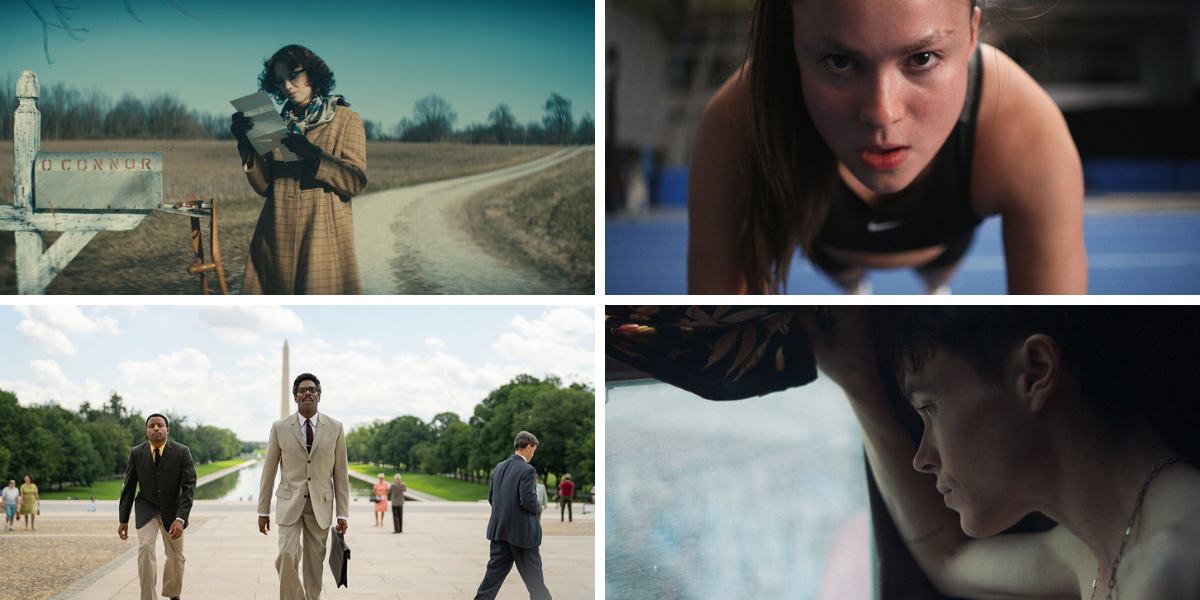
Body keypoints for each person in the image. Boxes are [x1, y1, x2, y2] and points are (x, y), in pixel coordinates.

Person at [795, 307, 1200, 599]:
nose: (923, 457)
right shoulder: (1092, 550)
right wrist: (858, 382)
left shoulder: (1172, 568)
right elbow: (952, 560)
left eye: (929, 409)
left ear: (1035, 373)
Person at [688, 0, 1087, 294]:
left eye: (923, 57)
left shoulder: (1024, 129)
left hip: (941, 249)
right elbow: (723, 346)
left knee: (938, 277)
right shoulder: (738, 123)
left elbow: (1056, 350)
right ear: (792, 45)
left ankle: (934, 289)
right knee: (849, 284)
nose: (882, 114)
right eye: (840, 61)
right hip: (834, 252)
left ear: (971, 36)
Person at [230, 44, 368, 294]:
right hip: (275, 235)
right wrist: (245, 144)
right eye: (280, 80)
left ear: (313, 74)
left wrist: (313, 154)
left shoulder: (346, 119)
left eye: (293, 76)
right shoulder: (273, 123)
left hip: (321, 237)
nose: (287, 86)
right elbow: (265, 187)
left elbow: (355, 182)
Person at [258, 373, 350, 600]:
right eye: (302, 390)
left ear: (319, 396)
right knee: (286, 556)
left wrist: (343, 514)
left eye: (312, 389)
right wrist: (262, 510)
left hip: (321, 505)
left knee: (314, 564)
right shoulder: (279, 427)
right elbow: (268, 471)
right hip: (289, 503)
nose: (307, 393)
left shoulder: (336, 427)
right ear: (295, 396)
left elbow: (341, 474)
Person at [118, 414, 197, 600]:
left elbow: (189, 486)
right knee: (145, 548)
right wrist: (123, 519)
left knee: (176, 557)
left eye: (159, 425)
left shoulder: (182, 451)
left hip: (173, 510)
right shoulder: (136, 453)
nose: (156, 428)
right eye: (151, 426)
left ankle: (172, 593)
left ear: (167, 430)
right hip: (147, 508)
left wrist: (181, 518)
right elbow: (128, 488)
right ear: (146, 431)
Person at [473, 431, 552, 600]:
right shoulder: (528, 470)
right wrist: (538, 507)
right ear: (528, 447)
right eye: (534, 450)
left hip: (499, 530)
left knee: (493, 576)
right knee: (534, 578)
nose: (532, 454)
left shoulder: (499, 467)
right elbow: (529, 501)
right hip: (522, 533)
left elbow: (491, 498)